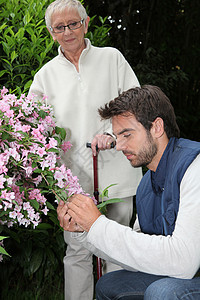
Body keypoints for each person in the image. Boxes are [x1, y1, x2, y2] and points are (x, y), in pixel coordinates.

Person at [29, 0, 142, 299]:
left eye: (73, 24)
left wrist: (111, 133)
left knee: (117, 244)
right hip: (72, 178)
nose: (67, 32)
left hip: (117, 168)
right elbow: (36, 132)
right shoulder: (44, 77)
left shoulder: (112, 58)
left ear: (87, 23)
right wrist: (53, 181)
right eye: (59, 27)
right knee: (77, 248)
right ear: (50, 31)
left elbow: (134, 104)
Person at [57, 85, 200, 299]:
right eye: (117, 136)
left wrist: (98, 224)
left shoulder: (194, 166)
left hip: (190, 271)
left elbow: (184, 262)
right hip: (188, 274)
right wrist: (86, 231)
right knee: (110, 285)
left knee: (162, 292)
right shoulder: (144, 186)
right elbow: (138, 255)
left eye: (127, 135)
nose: (119, 146)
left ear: (157, 127)